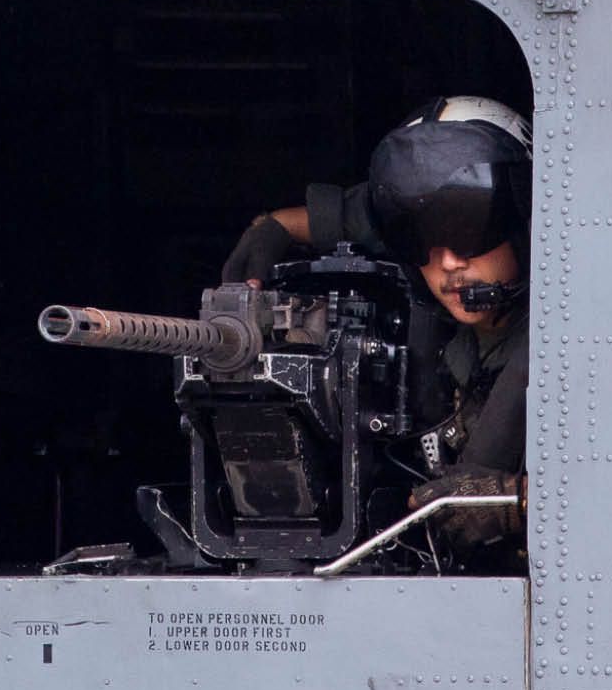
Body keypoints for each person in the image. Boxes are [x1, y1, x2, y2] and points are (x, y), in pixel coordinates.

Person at [221, 96, 530, 569]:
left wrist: (516, 503)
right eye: (421, 239)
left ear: (526, 220)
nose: (447, 263)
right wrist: (273, 229)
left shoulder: (587, 339)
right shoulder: (444, 322)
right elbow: (358, 214)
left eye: (470, 229)